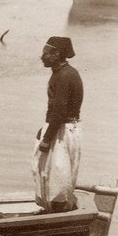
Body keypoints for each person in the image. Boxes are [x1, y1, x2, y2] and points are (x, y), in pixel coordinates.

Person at [32, 35, 84, 212]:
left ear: (57, 54)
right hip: (66, 127)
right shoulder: (67, 73)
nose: (42, 57)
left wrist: (47, 138)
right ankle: (55, 209)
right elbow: (60, 110)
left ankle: (57, 212)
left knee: (56, 174)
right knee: (56, 173)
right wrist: (44, 128)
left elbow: (60, 112)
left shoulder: (63, 76)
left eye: (46, 53)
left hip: (62, 129)